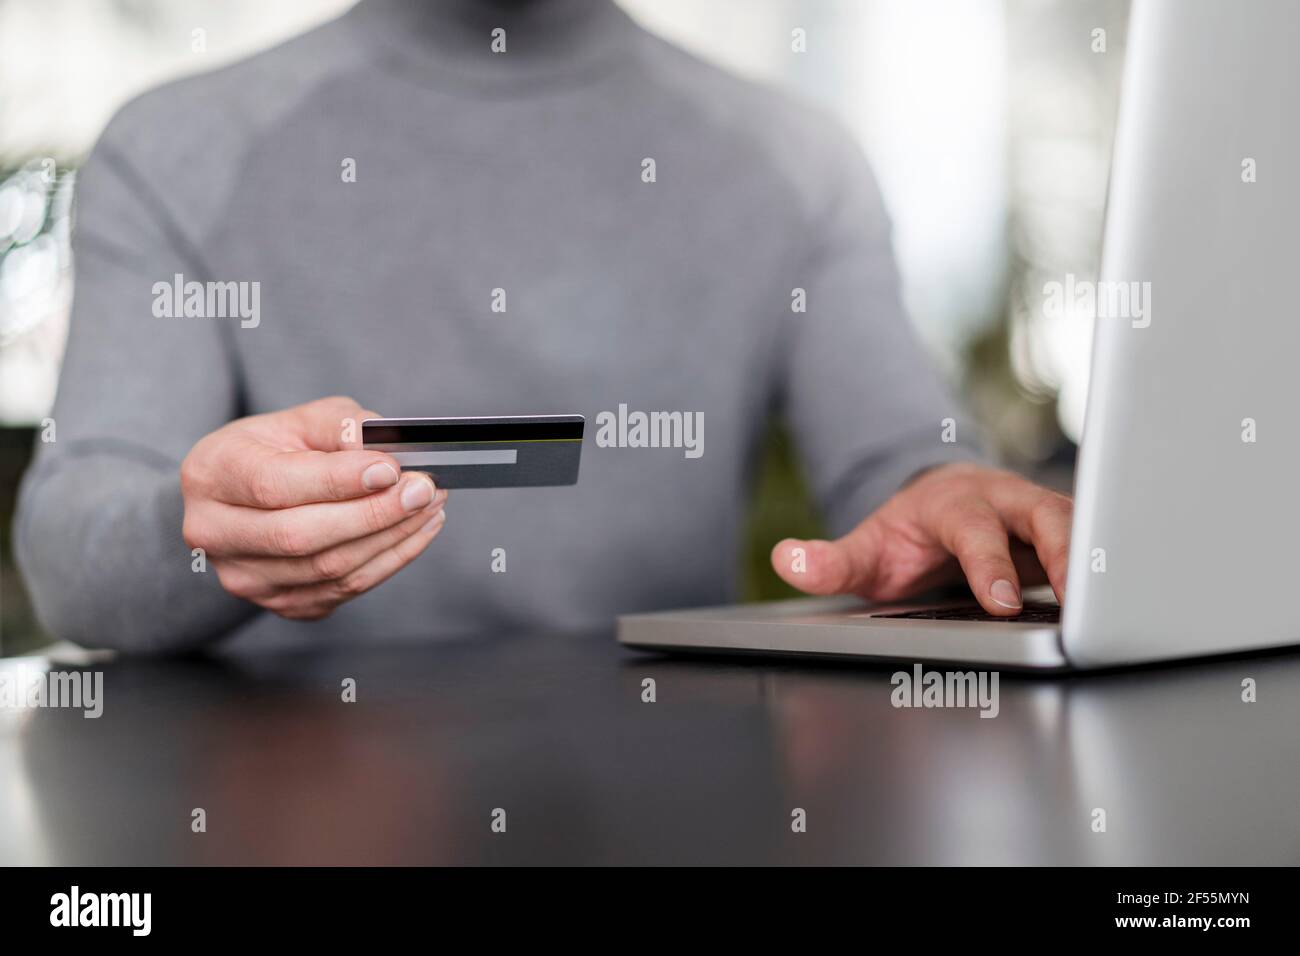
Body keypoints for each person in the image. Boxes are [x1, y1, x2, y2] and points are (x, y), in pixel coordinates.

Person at [14, 0, 1072, 653]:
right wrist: (199, 533)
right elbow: (74, 550)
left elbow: (900, 474)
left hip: (666, 797)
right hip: (284, 811)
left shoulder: (798, 163)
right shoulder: (173, 149)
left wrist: (947, 504)